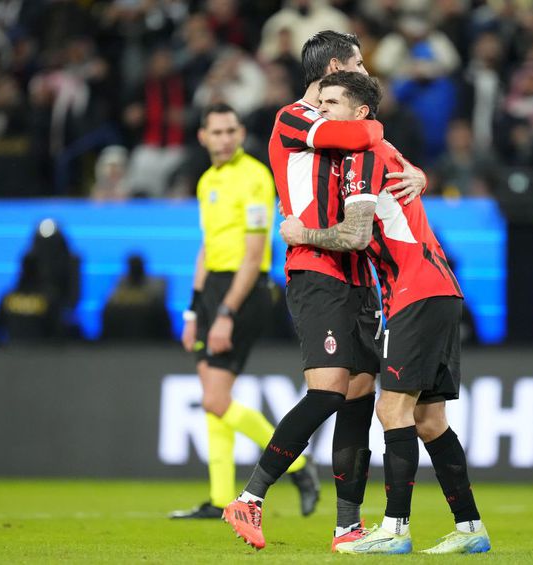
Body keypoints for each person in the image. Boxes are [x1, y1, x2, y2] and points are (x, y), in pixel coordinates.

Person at [223, 31, 426, 551]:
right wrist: (378, 131)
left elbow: (381, 153)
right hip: (316, 266)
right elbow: (361, 138)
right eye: (358, 62)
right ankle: (251, 496)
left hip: (359, 273)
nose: (367, 68)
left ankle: (346, 526)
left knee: (358, 397)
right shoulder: (295, 117)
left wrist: (415, 172)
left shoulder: (343, 118)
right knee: (330, 389)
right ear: (336, 66)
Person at [279, 71, 490, 555]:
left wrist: (301, 234)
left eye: (331, 102)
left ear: (360, 114)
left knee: (391, 408)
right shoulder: (385, 153)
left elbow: (354, 235)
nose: (321, 109)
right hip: (441, 289)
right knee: (430, 419)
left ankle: (394, 529)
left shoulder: (362, 156)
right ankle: (470, 529)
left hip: (414, 292)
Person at [171, 102, 319, 520]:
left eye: (230, 130)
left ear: (239, 133)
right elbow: (206, 246)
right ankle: (220, 498)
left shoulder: (255, 177)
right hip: (214, 288)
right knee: (214, 399)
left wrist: (225, 312)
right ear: (202, 136)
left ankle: (300, 466)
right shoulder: (205, 181)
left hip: (244, 289)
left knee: (216, 399)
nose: (224, 138)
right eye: (215, 132)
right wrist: (192, 310)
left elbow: (255, 255)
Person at [0, 253, 60, 346]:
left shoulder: (8, 297)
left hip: (12, 355)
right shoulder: (48, 298)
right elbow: (57, 335)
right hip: (41, 355)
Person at [101, 254, 172, 342]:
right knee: (110, 312)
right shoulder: (121, 283)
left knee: (159, 312)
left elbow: (158, 301)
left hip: (149, 321)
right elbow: (111, 301)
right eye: (133, 267)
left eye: (137, 267)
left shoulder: (157, 283)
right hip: (124, 321)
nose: (135, 269)